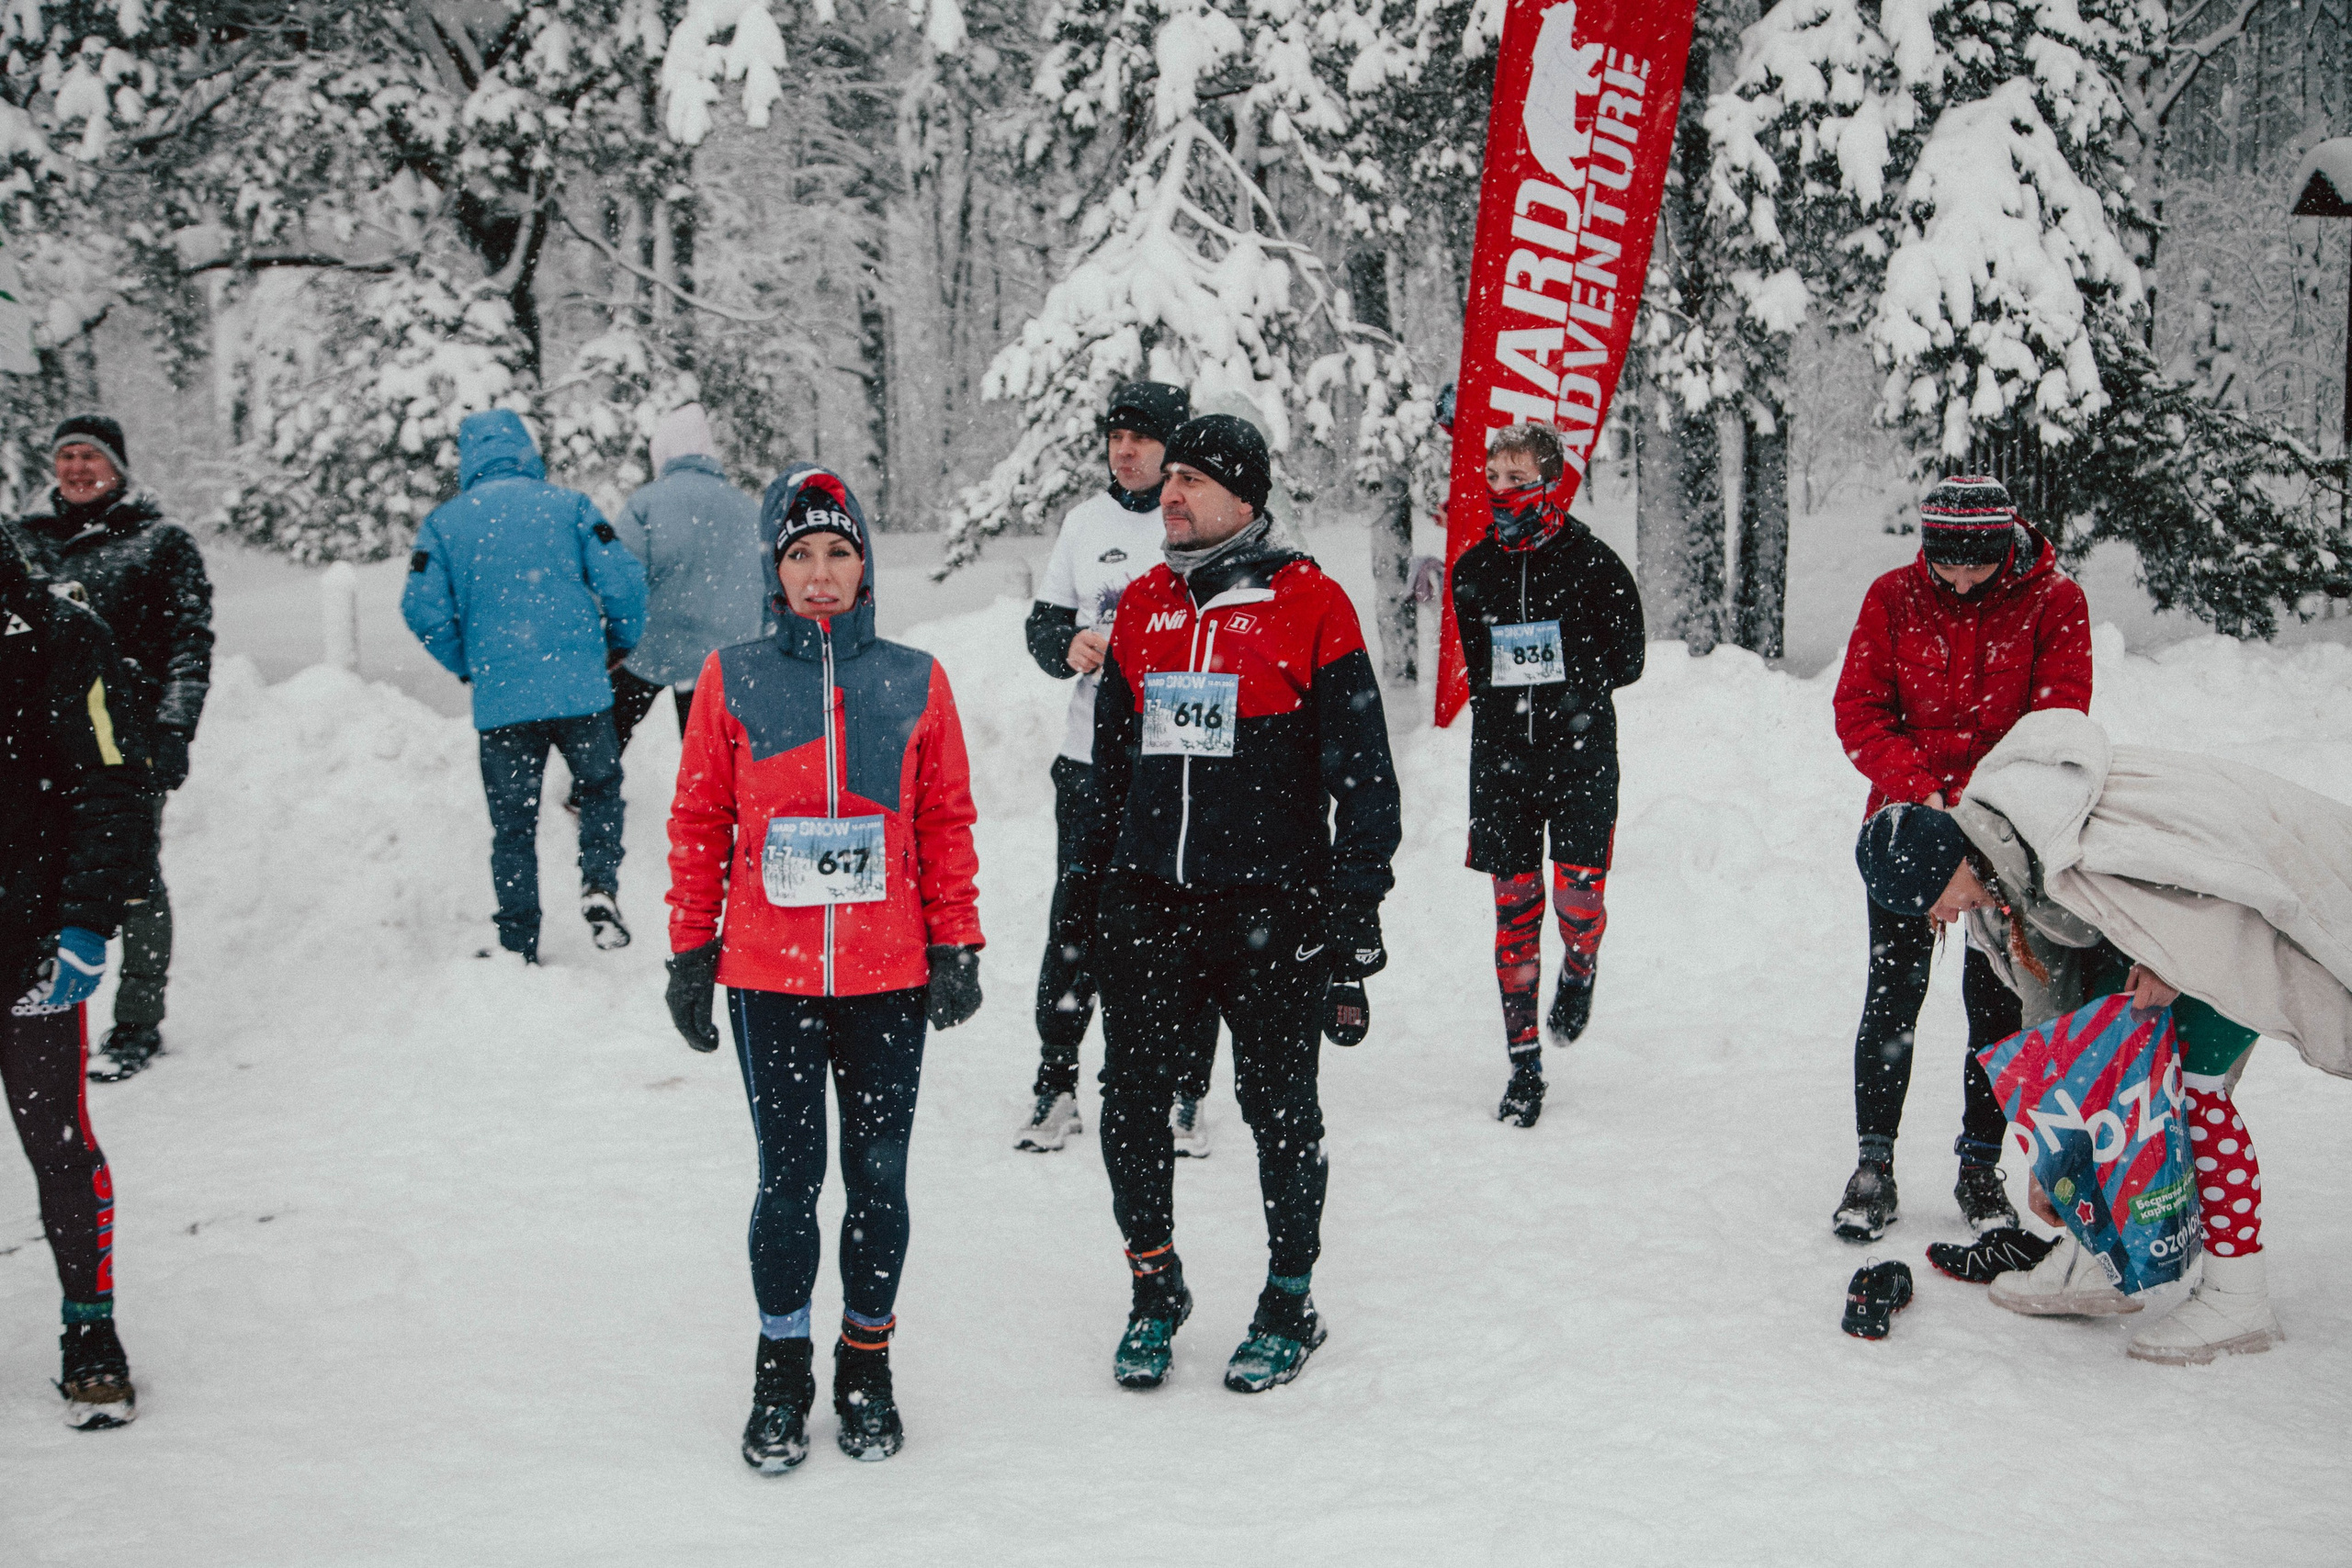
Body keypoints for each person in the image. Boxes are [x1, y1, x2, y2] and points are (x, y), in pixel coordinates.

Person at [1857, 705, 2352, 1362]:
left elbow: (2193, 876)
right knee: (2124, 1074)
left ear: (1941, 865)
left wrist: (2169, 955)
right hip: (2185, 934)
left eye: (1930, 903)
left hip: (2236, 908)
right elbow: (2059, 1024)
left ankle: (2239, 1298)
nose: (1938, 919)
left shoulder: (2055, 833)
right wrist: (2054, 1158)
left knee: (2191, 1090)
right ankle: (2105, 1256)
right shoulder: (2001, 873)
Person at [662, 465, 983, 1471]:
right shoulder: (732, 678)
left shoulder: (914, 679)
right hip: (772, 975)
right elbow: (699, 819)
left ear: (865, 565)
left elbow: (944, 822)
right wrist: (689, 947)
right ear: (774, 568)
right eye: (799, 554)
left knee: (878, 1179)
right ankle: (781, 1370)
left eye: (837, 552)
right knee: (790, 1181)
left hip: (887, 975)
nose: (819, 573)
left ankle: (867, 1364)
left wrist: (956, 939)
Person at [1083, 412, 1400, 1394]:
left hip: (1271, 910)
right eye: (1165, 477)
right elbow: (1110, 770)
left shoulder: (1309, 604)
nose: (1168, 493)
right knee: (1131, 1106)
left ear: (1246, 497)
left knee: (1278, 1110)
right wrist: (1097, 892)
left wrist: (1353, 909)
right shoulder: (1142, 604)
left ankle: (1288, 1301)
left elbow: (1367, 779)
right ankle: (1153, 1287)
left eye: (1192, 479)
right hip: (1151, 905)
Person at [1829, 475, 2091, 1240]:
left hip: (2006, 840)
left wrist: (1982, 808)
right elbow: (1859, 711)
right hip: (1910, 835)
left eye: (1976, 566)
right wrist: (1922, 790)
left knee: (1998, 1003)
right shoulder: (1892, 597)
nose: (1961, 580)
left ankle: (1981, 1163)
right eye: (1946, 566)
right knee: (1893, 993)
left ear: (2006, 546)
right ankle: (1873, 1161)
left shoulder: (2054, 602)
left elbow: (2060, 722)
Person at [1016, 380, 1222, 1158]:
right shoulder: (1084, 523)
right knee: (1078, 922)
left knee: (1186, 925)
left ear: (1175, 444)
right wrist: (1065, 645)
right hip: (1089, 763)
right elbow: (1045, 622)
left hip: (1177, 764)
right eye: (1116, 435)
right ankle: (1057, 1079)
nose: (1127, 449)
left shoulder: (1197, 519)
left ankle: (1185, 1089)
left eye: (1143, 436)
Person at [0, 525, 154, 1427]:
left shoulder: (62, 635)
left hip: (30, 948)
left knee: (58, 1144)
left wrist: (86, 926)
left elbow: (111, 783)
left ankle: (89, 1330)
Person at [1449, 421, 1644, 1127]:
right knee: (1514, 910)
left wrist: (1570, 685)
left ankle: (1582, 963)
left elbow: (1631, 659)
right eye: (1493, 477)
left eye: (1517, 478)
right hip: (1503, 760)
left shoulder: (1592, 561)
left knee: (1576, 899)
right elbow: (1478, 661)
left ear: (1551, 481)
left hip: (1581, 753)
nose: (1502, 491)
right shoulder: (1473, 569)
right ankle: (1524, 1064)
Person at [401, 409, 647, 964]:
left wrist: (467, 660)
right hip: (581, 690)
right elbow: (624, 580)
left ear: (469, 459)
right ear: (526, 450)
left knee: (513, 824)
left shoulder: (444, 525)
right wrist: (619, 643)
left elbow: (421, 607)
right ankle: (600, 884)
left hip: (503, 702)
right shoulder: (571, 508)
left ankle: (518, 938)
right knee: (600, 789)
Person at [16, 414, 212, 1082]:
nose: (76, 468)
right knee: (35, 876)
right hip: (34, 747)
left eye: (89, 456)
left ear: (119, 468)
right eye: (66, 456)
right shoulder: (23, 540)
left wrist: (173, 729)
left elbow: (191, 644)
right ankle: (34, 1007)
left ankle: (136, 1020)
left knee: (131, 876)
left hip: (125, 746)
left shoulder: (160, 543)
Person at [604, 402, 770, 753]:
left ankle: (587, 794)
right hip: (723, 652)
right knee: (711, 756)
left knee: (610, 729)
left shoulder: (646, 503)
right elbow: (771, 588)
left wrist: (614, 636)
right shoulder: (748, 510)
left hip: (652, 645)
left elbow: (618, 579)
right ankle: (715, 803)